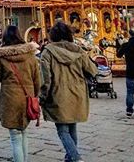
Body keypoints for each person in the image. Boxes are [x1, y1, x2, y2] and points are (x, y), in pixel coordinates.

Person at [40, 21, 97, 162]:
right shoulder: (78, 51)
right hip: (77, 93)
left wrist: (42, 96)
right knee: (72, 127)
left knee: (62, 130)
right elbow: (93, 70)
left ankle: (76, 158)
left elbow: (45, 79)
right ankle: (70, 157)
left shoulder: (48, 52)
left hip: (58, 93)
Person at [0, 26, 41, 162]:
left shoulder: (0, 57)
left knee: (15, 137)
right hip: (27, 99)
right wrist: (36, 96)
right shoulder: (30, 55)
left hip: (10, 100)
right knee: (23, 133)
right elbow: (37, 80)